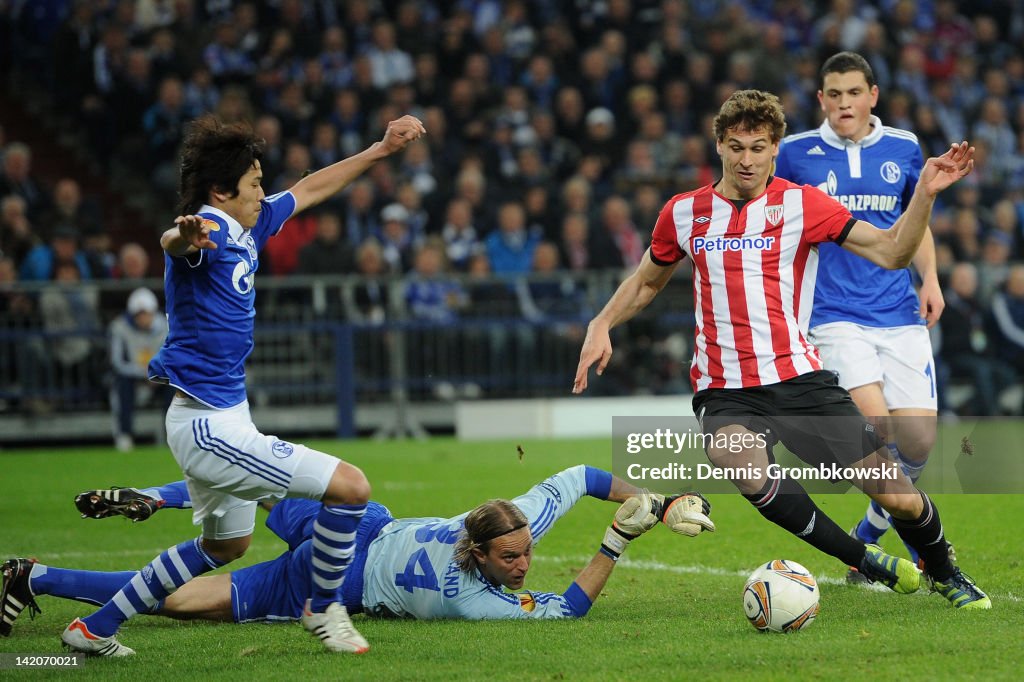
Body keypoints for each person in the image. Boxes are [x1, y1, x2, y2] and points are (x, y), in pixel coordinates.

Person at [572, 89, 989, 610]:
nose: (746, 160)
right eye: (736, 147)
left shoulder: (802, 203)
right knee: (742, 464)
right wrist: (602, 322)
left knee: (897, 495)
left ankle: (945, 572)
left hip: (800, 381)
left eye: (758, 148)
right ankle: (863, 558)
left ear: (775, 149)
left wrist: (924, 194)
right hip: (725, 389)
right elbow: (646, 282)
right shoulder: (684, 212)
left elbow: (891, 251)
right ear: (719, 146)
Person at [57, 113, 427, 657]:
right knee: (351, 488)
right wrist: (182, 237)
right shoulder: (206, 230)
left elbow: (309, 189)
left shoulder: (248, 223)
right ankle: (323, 607)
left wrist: (380, 149)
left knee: (225, 546)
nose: (261, 192)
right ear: (220, 191)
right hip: (207, 426)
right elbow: (173, 243)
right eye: (254, 183)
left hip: (225, 414)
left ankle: (94, 628)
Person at [0, 467, 713, 634]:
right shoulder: (471, 600)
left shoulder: (504, 524)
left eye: (525, 551)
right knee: (180, 601)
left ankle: (156, 499)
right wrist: (618, 536)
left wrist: (662, 498)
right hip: (336, 578)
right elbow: (567, 611)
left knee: (258, 487)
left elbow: (582, 477)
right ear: (478, 551)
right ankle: (43, 577)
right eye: (512, 560)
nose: (524, 564)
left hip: (358, 522)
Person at [773, 52, 944, 580]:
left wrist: (930, 278)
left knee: (919, 440)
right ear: (821, 99)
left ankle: (871, 529)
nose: (844, 103)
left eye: (853, 93)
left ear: (872, 95)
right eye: (834, 94)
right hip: (832, 314)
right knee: (877, 430)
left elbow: (914, 221)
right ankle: (920, 548)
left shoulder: (904, 147)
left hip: (898, 310)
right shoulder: (795, 153)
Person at [108, 288, 172, 452]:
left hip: (159, 375)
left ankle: (170, 434)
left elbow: (170, 356)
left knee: (174, 386)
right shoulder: (119, 327)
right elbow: (117, 362)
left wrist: (156, 373)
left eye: (147, 314)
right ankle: (125, 434)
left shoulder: (165, 326)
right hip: (133, 375)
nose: (143, 319)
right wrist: (143, 373)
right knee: (122, 385)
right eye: (139, 315)